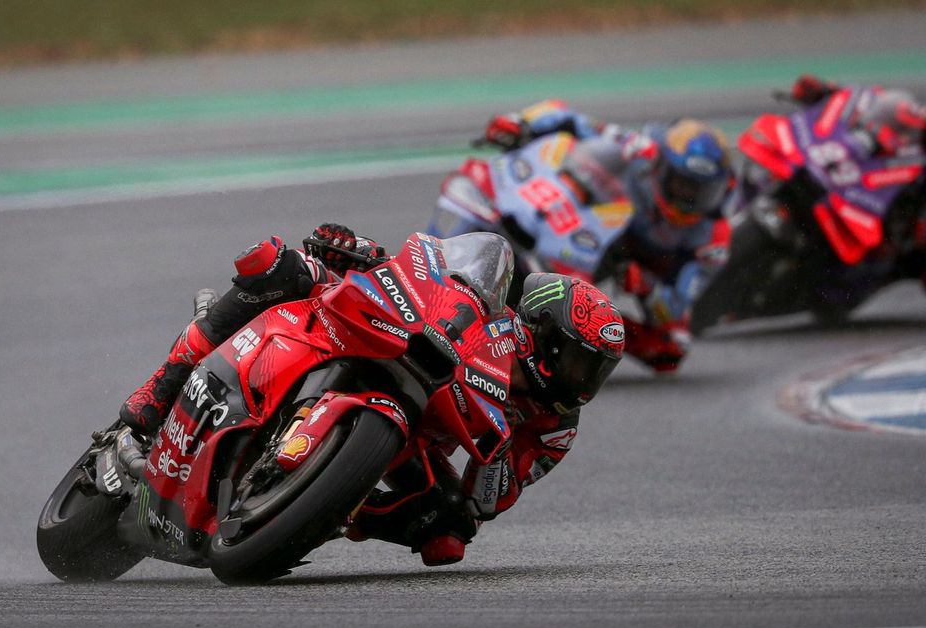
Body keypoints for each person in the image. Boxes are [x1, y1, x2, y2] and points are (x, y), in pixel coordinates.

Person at [118, 224, 625, 566]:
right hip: (368, 335)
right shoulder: (496, 322)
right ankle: (159, 391)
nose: (584, 382)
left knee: (448, 532)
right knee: (277, 265)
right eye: (579, 362)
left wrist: (503, 438)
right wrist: (358, 251)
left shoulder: (556, 427)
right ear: (541, 332)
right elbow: (436, 281)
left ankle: (331, 510)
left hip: (415, 441)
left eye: (596, 371)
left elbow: (489, 499)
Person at [481, 99, 733, 373]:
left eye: (702, 191)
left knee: (673, 348)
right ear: (661, 168)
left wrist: (644, 284)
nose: (689, 198)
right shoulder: (641, 150)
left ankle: (585, 348)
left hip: (644, 270)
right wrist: (521, 122)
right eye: (683, 184)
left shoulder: (713, 239)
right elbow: (572, 119)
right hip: (595, 233)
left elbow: (677, 306)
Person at [782, 75, 926, 290]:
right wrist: (824, 92)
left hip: (878, 242)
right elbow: (865, 104)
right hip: (847, 177)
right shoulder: (910, 111)